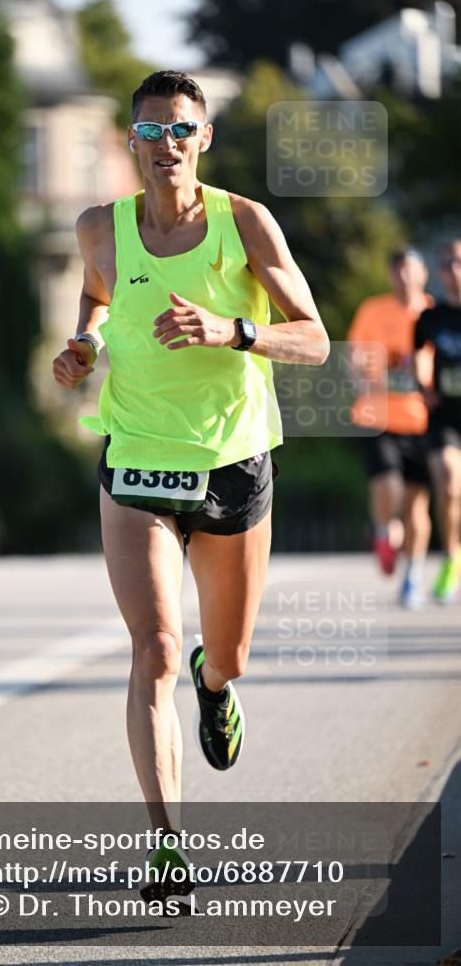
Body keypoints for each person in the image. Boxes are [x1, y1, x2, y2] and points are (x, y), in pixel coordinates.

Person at [52, 71, 329, 909]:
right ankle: (167, 846)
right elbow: (97, 297)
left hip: (233, 460)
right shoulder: (99, 227)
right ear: (130, 143)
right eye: (148, 133)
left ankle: (220, 685)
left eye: (179, 130)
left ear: (202, 138)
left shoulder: (245, 223)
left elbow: (314, 341)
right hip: (135, 457)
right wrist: (83, 345)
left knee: (220, 653)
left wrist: (232, 330)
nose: (164, 145)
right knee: (154, 650)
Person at [347, 248, 434, 608]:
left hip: (423, 420)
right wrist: (360, 379)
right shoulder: (373, 309)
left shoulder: (435, 314)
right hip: (378, 417)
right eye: (397, 271)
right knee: (388, 486)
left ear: (423, 274)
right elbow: (353, 354)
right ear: (390, 275)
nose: (404, 278)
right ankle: (384, 530)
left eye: (410, 270)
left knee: (417, 508)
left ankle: (412, 577)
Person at [414, 240, 461, 604]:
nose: (454, 269)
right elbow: (417, 352)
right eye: (448, 263)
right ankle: (450, 556)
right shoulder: (431, 317)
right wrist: (424, 387)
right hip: (445, 414)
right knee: (447, 482)